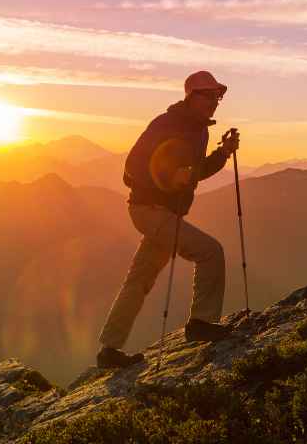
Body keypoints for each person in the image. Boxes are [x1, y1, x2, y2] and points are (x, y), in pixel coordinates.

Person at [96, 70, 240, 368]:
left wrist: (223, 152)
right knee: (210, 252)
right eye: (210, 96)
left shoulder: (201, 131)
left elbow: (195, 173)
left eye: (218, 97)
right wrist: (168, 176)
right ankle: (201, 323)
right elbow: (133, 164)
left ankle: (109, 351)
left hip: (161, 213)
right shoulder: (166, 124)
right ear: (192, 96)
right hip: (148, 210)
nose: (215, 102)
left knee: (139, 279)